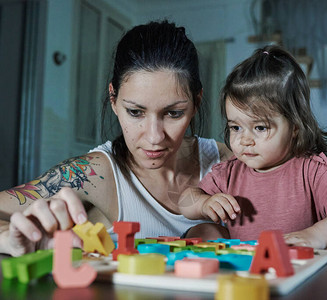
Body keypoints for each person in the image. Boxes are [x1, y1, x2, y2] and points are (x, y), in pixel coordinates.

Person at [0, 20, 233, 257]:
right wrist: (8, 238)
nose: (154, 137)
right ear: (113, 99)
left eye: (173, 113)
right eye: (135, 112)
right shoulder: (93, 174)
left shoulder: (229, 163)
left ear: (197, 103)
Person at [179, 45, 327, 249]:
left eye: (260, 127)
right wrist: (203, 203)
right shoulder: (229, 172)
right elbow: (184, 201)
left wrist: (316, 236)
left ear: (295, 127)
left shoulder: (312, 170)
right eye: (235, 127)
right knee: (202, 231)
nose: (245, 140)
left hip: (299, 268)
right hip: (246, 269)